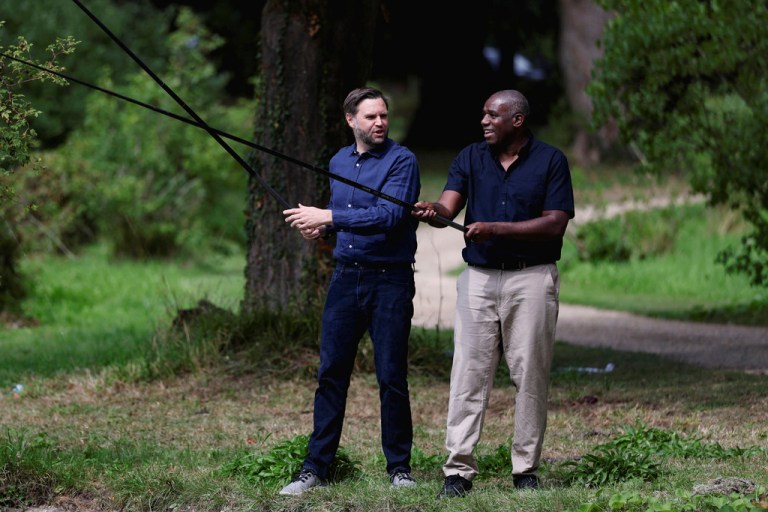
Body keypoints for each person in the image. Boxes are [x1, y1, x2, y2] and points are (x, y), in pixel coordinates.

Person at [412, 89, 574, 498]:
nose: (484, 121)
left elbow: (555, 223)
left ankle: (526, 470)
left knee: (530, 374)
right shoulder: (469, 157)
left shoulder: (551, 161)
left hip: (532, 278)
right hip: (479, 279)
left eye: (493, 115)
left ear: (516, 121)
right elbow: (449, 207)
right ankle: (458, 470)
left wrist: (494, 227)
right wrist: (433, 210)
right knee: (468, 373)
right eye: (483, 113)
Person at [279, 87, 421, 495]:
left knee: (391, 375)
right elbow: (347, 215)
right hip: (345, 279)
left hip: (389, 280)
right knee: (330, 374)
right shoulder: (339, 161)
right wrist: (322, 227)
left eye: (383, 115)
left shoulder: (402, 161)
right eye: (371, 116)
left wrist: (330, 215)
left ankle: (400, 469)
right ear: (351, 120)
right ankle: (315, 468)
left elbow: (390, 215)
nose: (380, 123)